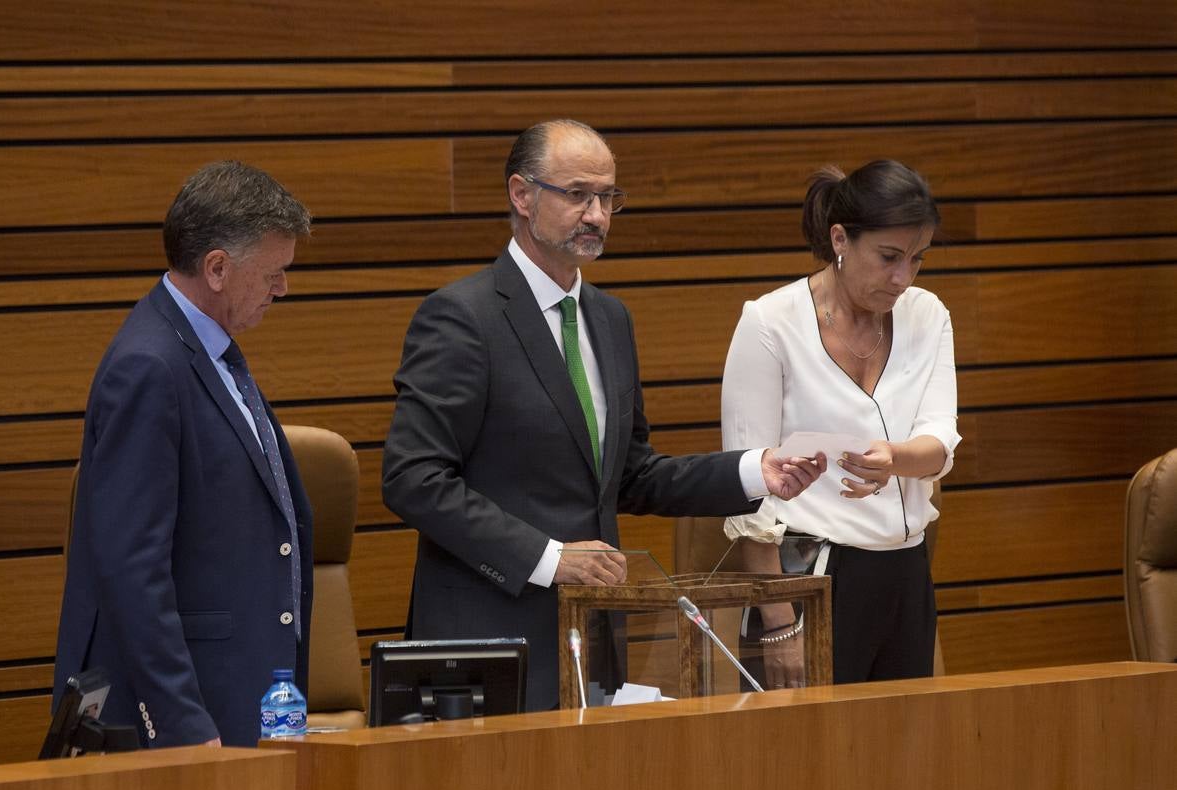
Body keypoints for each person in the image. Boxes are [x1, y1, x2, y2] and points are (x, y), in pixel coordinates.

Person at [382, 119, 826, 710]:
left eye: (608, 197)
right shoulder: (463, 317)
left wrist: (754, 472)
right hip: (487, 642)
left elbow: (631, 475)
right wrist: (550, 559)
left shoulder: (609, 319)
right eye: (577, 195)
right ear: (522, 195)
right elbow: (413, 479)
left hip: (591, 638)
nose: (596, 215)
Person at [53, 161, 314, 748]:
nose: (283, 288)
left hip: (239, 696)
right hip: (182, 720)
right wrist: (182, 725)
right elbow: (131, 570)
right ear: (217, 268)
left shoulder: (204, 348)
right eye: (273, 273)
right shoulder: (149, 367)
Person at [722, 159, 960, 689]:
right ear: (840, 239)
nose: (903, 277)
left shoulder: (927, 314)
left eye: (917, 259)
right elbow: (750, 491)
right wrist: (779, 628)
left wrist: (896, 460)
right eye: (889, 257)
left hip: (904, 574)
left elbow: (941, 439)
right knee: (802, 763)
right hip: (809, 580)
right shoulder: (770, 323)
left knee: (902, 760)